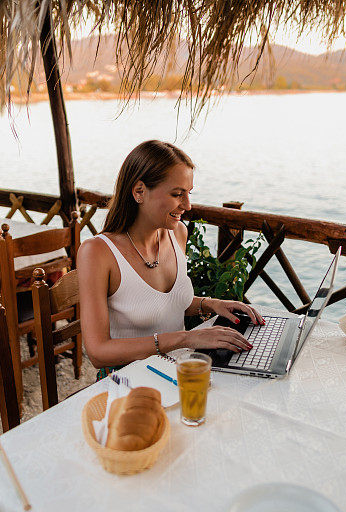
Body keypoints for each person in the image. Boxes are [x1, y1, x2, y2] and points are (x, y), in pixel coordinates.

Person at [78, 140, 264, 380]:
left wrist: (210, 304)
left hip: (177, 370)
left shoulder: (177, 234)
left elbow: (164, 305)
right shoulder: (97, 252)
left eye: (189, 193)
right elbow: (98, 353)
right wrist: (185, 338)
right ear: (139, 191)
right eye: (177, 194)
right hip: (126, 381)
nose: (187, 205)